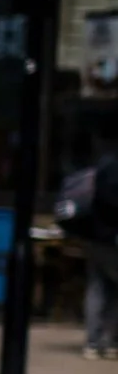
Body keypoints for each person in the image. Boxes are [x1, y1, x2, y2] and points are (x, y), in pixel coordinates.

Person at [69, 136, 118, 359]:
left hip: (94, 236)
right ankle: (108, 341)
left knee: (97, 287)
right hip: (111, 238)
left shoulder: (103, 165)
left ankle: (92, 341)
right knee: (112, 290)